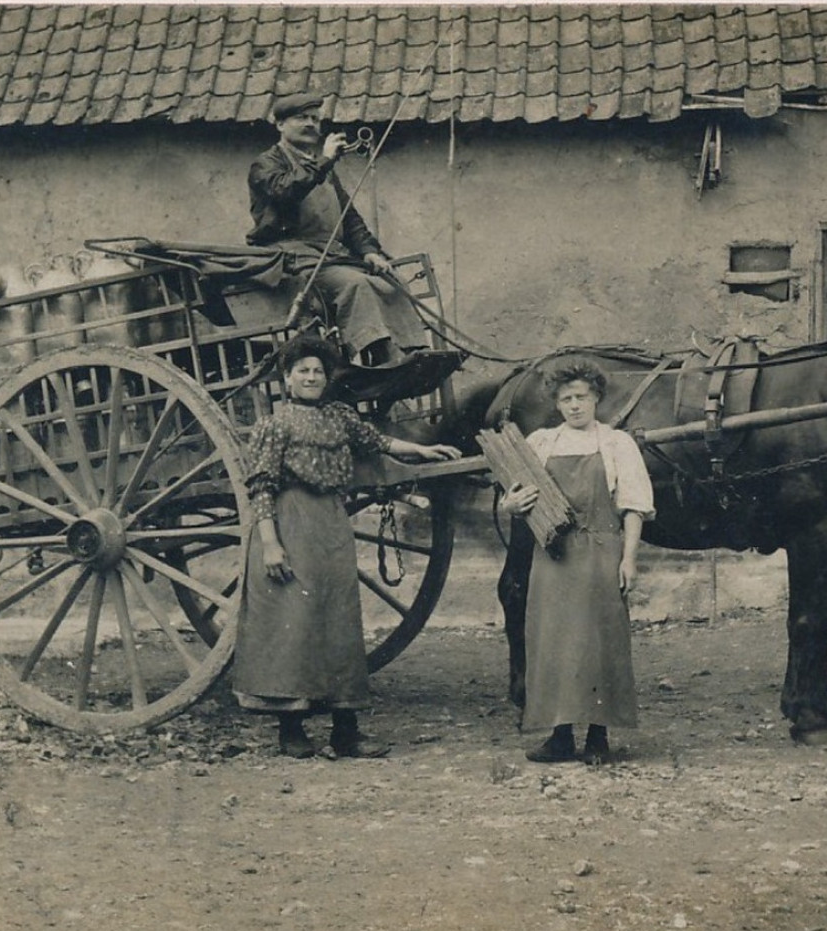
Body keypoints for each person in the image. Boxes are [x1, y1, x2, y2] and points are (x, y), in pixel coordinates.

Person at [235, 334, 462, 758]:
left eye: (318, 371)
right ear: (287, 379)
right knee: (294, 619)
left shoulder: (339, 417)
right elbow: (261, 486)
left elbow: (380, 443)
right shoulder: (275, 424)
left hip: (331, 524)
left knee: (340, 619)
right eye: (302, 371)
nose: (311, 377)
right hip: (290, 519)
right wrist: (270, 544)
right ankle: (291, 729)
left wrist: (423, 450)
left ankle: (346, 731)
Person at [500, 359, 656, 766]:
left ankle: (599, 737)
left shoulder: (617, 444)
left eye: (581, 397)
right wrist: (512, 503)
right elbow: (512, 497)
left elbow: (634, 508)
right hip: (553, 555)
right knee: (552, 642)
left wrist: (630, 560)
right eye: (566, 398)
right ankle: (560, 736)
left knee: (600, 642)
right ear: (556, 403)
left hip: (602, 551)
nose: (574, 405)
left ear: (596, 398)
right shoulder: (540, 443)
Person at [247, 92, 428, 370]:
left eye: (315, 119)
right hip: (294, 258)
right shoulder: (267, 163)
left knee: (393, 282)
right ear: (280, 124)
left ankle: (413, 352)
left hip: (332, 255)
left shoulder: (325, 170)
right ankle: (385, 360)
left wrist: (370, 252)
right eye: (301, 118)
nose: (311, 124)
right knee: (354, 285)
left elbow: (349, 218)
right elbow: (284, 191)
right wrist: (325, 161)